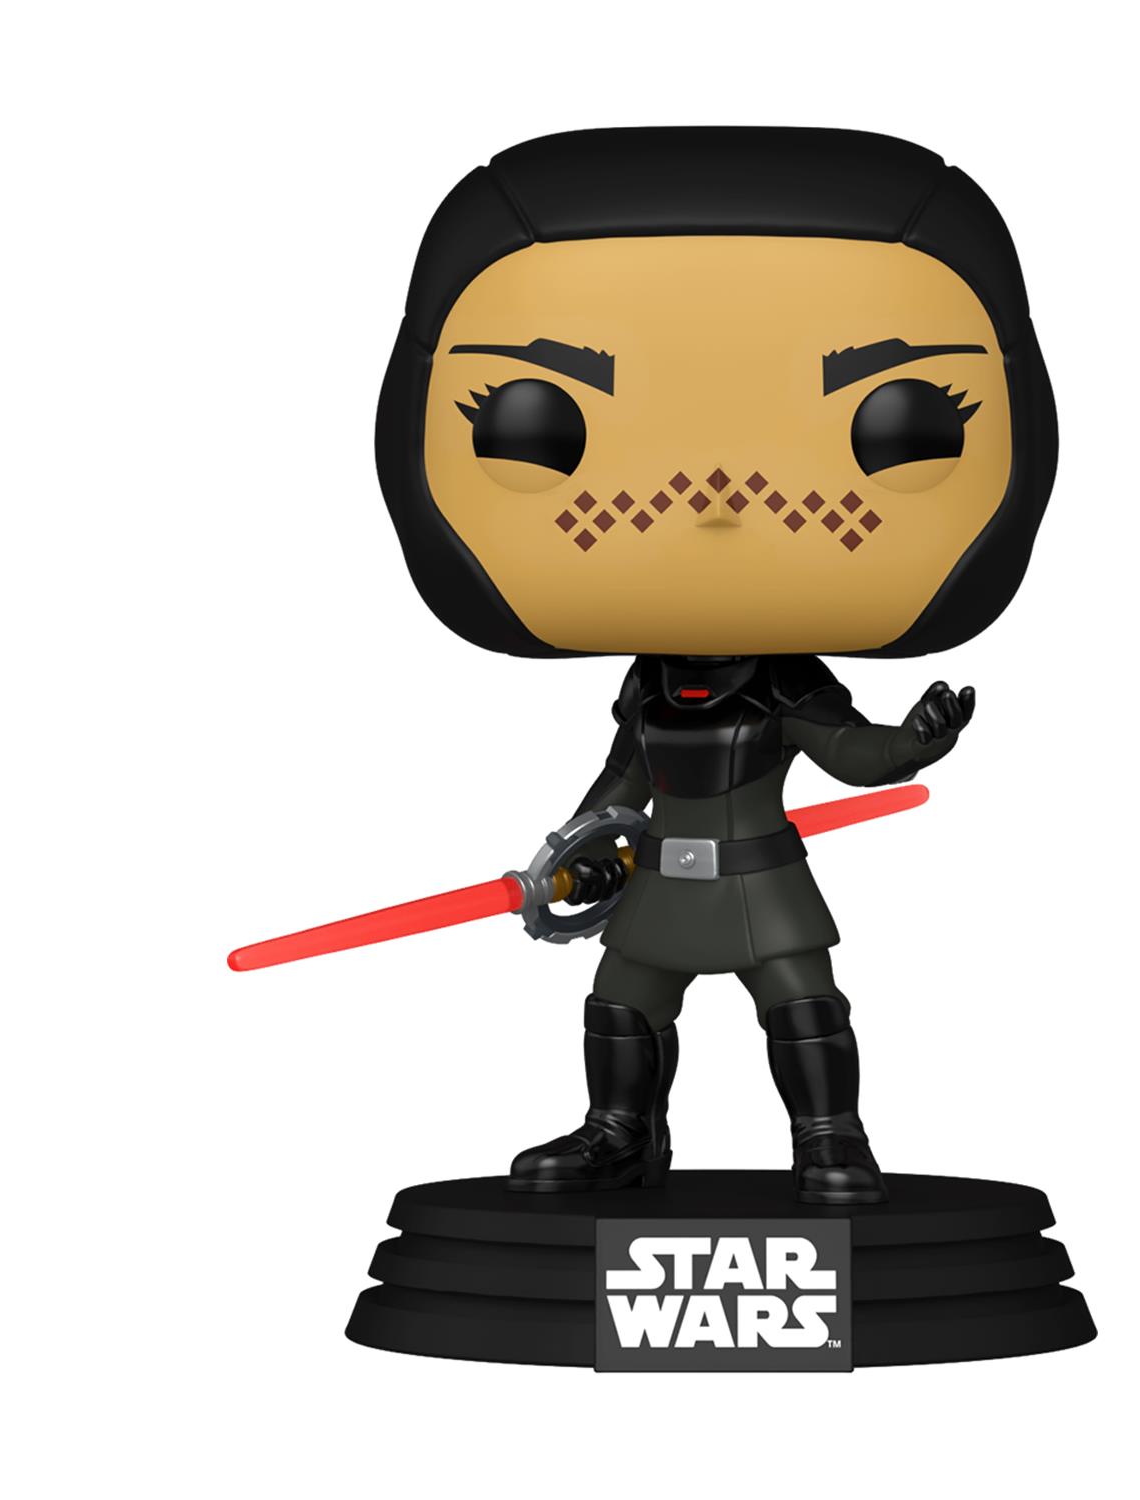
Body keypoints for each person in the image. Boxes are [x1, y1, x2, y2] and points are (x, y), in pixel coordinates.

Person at [375, 128, 1058, 1203]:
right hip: (660, 876)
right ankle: (620, 1136)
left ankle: (831, 1141)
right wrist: (571, 853)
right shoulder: (652, 682)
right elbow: (624, 776)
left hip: (759, 877)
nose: (717, 501)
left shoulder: (782, 679)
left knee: (801, 1006)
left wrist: (916, 743)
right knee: (621, 1006)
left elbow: (848, 752)